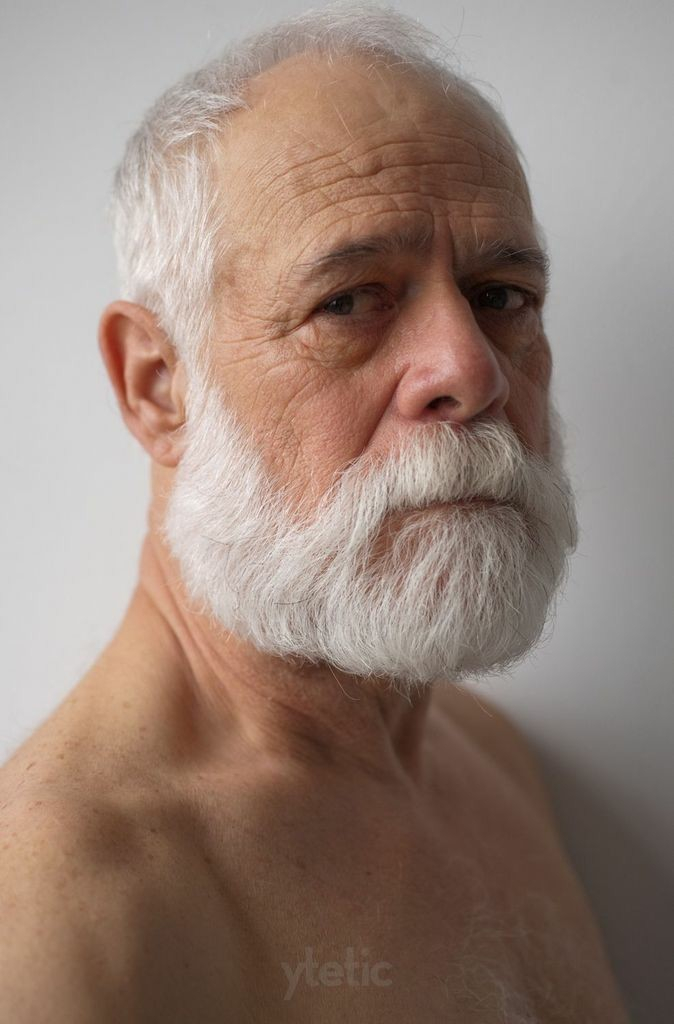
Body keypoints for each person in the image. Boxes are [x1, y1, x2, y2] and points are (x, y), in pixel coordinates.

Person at [0, 4, 630, 1020]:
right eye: (348, 300)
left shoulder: (488, 756)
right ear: (158, 385)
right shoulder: (66, 906)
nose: (470, 371)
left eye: (501, 294)